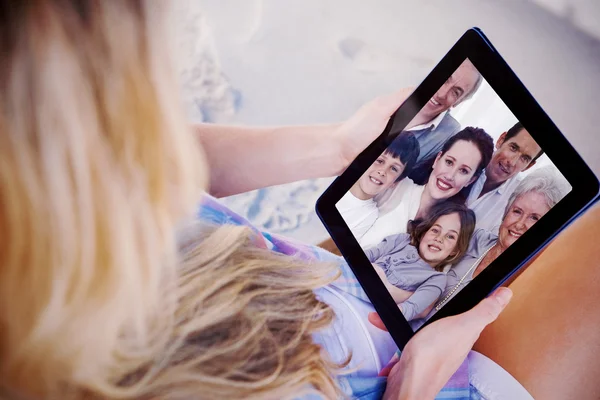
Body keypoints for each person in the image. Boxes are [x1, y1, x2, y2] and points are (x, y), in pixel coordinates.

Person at [0, 3, 515, 399]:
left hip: (316, 280)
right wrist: (414, 387)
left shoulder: (68, 169)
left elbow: (147, 160)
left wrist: (336, 145)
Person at [438, 167, 570, 310]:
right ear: (506, 212)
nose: (519, 224)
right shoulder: (474, 238)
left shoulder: (526, 281)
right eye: (517, 211)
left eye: (534, 218)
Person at [359, 127, 494, 248]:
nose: (449, 176)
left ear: (470, 180)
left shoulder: (448, 233)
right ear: (437, 159)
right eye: (449, 162)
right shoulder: (394, 184)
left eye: (463, 171)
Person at [365, 202, 476, 321]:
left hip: (374, 312)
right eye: (435, 230)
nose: (439, 238)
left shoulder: (436, 279)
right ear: (424, 233)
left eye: (450, 236)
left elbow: (410, 309)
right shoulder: (401, 241)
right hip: (355, 280)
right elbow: (367, 255)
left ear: (455, 250)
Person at [388, 60, 483, 185]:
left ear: (458, 102)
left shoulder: (449, 132)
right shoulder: (398, 83)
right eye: (445, 78)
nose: (441, 94)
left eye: (456, 92)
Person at [337, 132, 419, 241]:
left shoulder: (368, 215)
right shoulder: (339, 178)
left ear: (395, 182)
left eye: (394, 169)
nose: (382, 171)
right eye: (380, 161)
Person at [466, 122, 544, 234]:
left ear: (529, 166)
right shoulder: (466, 156)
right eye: (513, 148)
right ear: (501, 140)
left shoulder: (520, 199)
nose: (511, 162)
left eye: (524, 158)